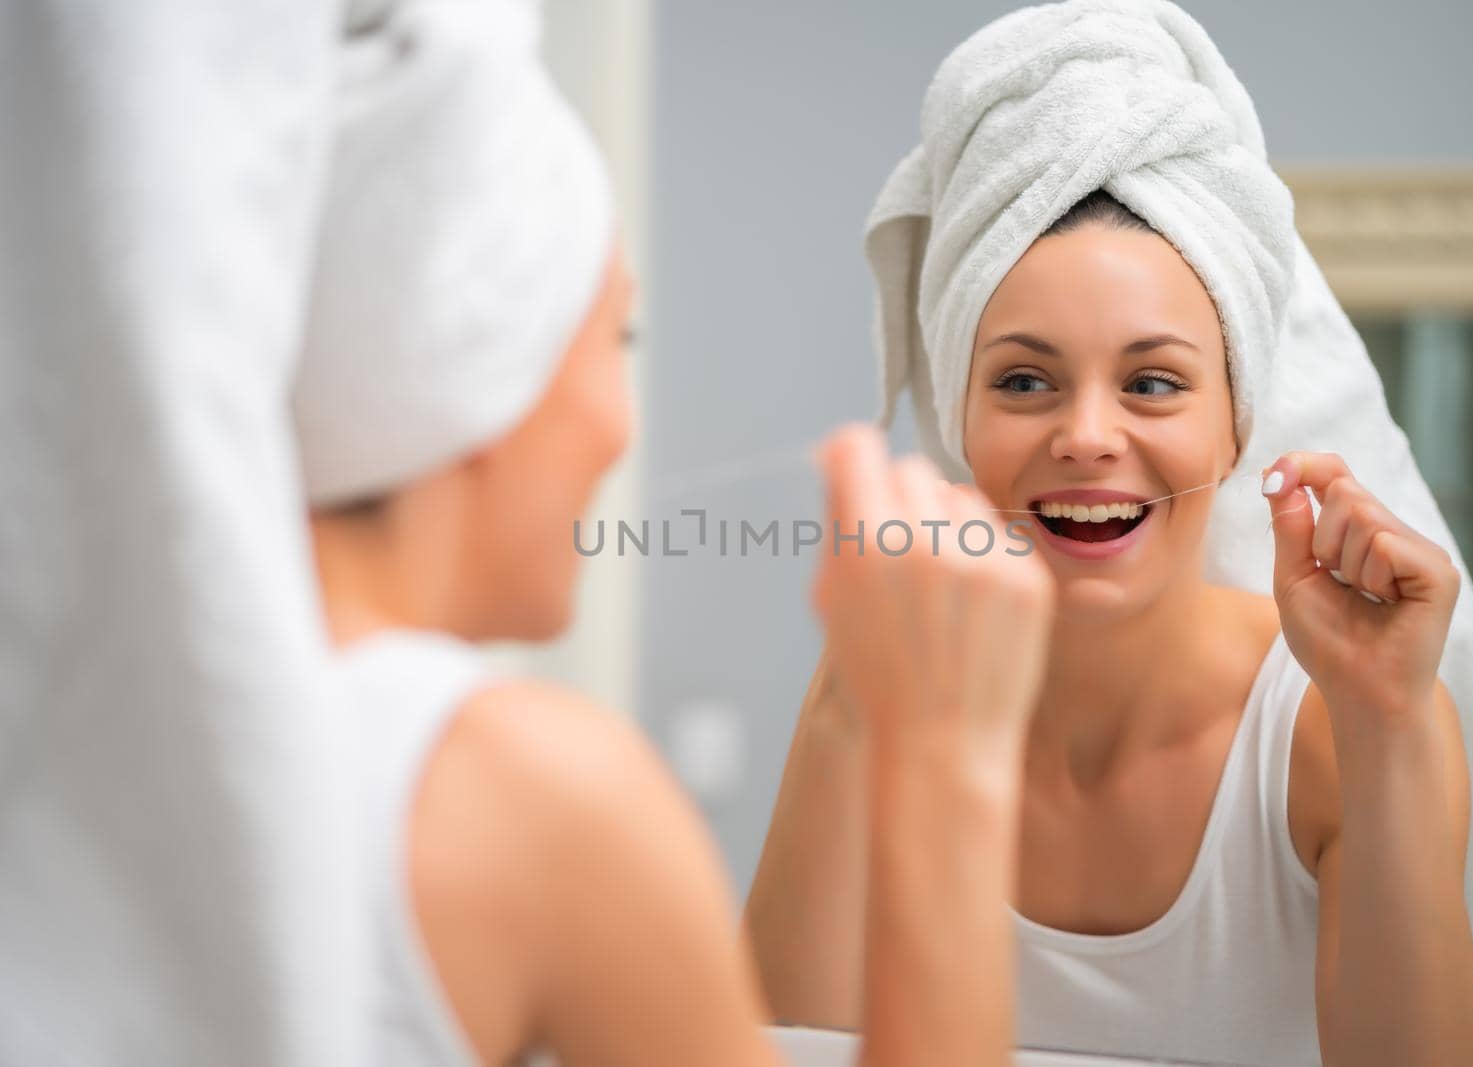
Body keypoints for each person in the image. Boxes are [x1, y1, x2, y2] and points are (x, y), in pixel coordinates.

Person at [747, 3, 1473, 1065]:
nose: (1087, 435)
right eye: (1022, 379)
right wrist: (850, 711)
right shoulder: (882, 697)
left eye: (1151, 382)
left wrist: (1383, 722)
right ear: (962, 422)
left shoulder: (1332, 729)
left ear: (1236, 424)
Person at [295, 3, 1055, 1065]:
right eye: (619, 336)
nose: (622, 419)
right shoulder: (542, 801)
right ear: (473, 362)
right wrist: (947, 748)